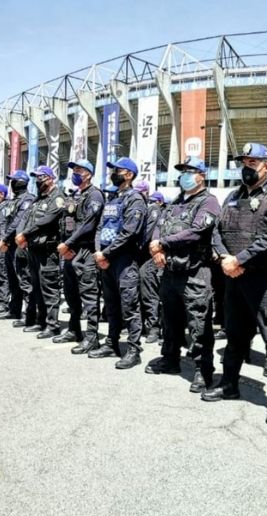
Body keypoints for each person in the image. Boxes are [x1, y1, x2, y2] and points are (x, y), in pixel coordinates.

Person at [205, 142, 267, 426]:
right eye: (243, 162)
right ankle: (229, 384)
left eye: (252, 163)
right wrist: (224, 259)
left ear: (266, 167)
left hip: (263, 281)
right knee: (235, 335)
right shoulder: (233, 196)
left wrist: (239, 259)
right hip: (233, 278)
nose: (246, 168)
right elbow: (216, 232)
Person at [146, 157, 221, 391]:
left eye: (191, 171)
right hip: (170, 271)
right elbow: (159, 223)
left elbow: (197, 231)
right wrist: (156, 247)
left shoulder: (208, 202)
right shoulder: (176, 201)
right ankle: (170, 359)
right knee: (170, 319)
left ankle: (203, 369)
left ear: (202, 175)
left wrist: (163, 244)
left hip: (195, 272)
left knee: (198, 323)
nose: (185, 175)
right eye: (183, 171)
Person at [92, 157, 148, 369]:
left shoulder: (135, 199)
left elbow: (129, 232)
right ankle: (111, 343)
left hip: (124, 260)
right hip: (106, 260)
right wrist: (99, 251)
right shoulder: (113, 198)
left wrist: (105, 253)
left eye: (118, 170)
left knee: (129, 305)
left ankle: (133, 349)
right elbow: (100, 227)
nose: (113, 173)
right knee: (112, 304)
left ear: (129, 175)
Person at [58, 159, 105, 355]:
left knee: (89, 296)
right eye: (74, 170)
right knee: (71, 295)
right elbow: (67, 221)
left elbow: (88, 224)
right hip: (70, 252)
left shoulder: (95, 195)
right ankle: (74, 329)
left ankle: (92, 337)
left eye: (79, 170)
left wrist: (69, 244)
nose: (75, 173)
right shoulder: (77, 195)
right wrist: (64, 245)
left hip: (84, 251)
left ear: (88, 174)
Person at [19, 166, 66, 338]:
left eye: (41, 177)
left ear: (50, 179)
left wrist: (25, 234)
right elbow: (26, 217)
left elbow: (47, 220)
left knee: (49, 288)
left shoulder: (58, 197)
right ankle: (41, 321)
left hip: (48, 251)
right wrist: (21, 234)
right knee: (37, 287)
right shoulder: (38, 199)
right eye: (36, 178)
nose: (37, 181)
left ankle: (53, 326)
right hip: (33, 248)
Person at [0, 170, 35, 322]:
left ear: (21, 182)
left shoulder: (28, 200)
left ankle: (30, 314)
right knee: (12, 279)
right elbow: (4, 222)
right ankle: (14, 310)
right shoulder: (11, 202)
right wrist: (3, 239)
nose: (12, 183)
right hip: (8, 246)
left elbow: (18, 221)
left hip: (20, 245)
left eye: (14, 180)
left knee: (24, 280)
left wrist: (5, 238)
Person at [140, 190, 166, 344]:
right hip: (150, 257)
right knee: (149, 295)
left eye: (154, 201)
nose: (151, 204)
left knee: (162, 298)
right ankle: (153, 327)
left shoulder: (159, 213)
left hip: (162, 258)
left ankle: (161, 329)